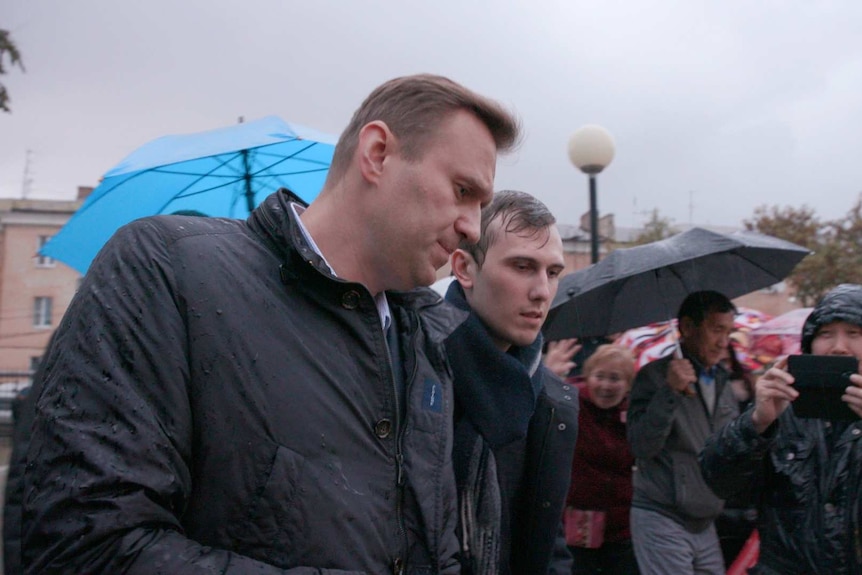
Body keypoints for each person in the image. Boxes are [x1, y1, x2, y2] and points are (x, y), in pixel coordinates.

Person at [12, 74, 520, 574]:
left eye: (481, 205)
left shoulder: (428, 338)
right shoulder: (165, 269)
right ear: (378, 153)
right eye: (461, 190)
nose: (472, 227)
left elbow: (437, 545)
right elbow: (85, 545)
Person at [434, 190, 578, 574]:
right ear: (464, 268)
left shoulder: (551, 399)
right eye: (521, 266)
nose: (542, 292)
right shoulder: (415, 372)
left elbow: (547, 541)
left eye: (552, 272)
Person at [700, 284, 862, 574]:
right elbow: (721, 483)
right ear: (809, 345)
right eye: (826, 334)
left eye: (854, 333)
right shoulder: (784, 408)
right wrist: (756, 424)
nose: (839, 346)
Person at [626, 290, 740, 575]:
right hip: (661, 514)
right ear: (687, 327)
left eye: (728, 331)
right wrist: (670, 391)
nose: (723, 342)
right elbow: (642, 445)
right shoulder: (652, 377)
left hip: (705, 520)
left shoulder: (724, 380)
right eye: (716, 330)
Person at [565, 344, 640, 575]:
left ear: (628, 384)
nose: (606, 385)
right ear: (588, 377)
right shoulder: (570, 403)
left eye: (615, 378)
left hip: (623, 527)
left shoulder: (636, 414)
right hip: (579, 523)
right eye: (600, 376)